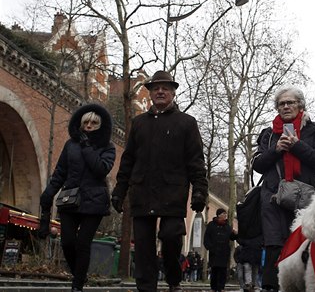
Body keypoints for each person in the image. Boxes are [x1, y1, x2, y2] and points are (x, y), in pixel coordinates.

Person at [110, 70, 209, 292]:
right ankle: (146, 288)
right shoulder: (138, 124)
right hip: (142, 191)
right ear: (151, 93)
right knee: (144, 247)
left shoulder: (186, 123)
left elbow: (196, 161)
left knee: (171, 237)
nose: (161, 91)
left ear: (173, 93)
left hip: (172, 193)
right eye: (156, 88)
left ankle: (174, 279)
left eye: (165, 88)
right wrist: (119, 189)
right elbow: (128, 160)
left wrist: (200, 191)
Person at [252, 86, 315, 292]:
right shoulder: (268, 134)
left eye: (290, 102)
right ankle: (271, 286)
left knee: (303, 242)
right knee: (274, 243)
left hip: (305, 195)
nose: (285, 106)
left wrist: (296, 145)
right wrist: (277, 150)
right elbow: (257, 165)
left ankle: (303, 285)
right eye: (281, 104)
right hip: (273, 196)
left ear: (300, 105)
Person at [37, 104, 115, 292]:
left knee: (83, 243)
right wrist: (49, 192)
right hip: (70, 199)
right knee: (68, 242)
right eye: (86, 122)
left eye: (94, 123)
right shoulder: (70, 145)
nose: (89, 125)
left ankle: (77, 286)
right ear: (80, 123)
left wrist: (87, 146)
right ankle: (79, 274)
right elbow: (60, 172)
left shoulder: (108, 147)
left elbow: (101, 169)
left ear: (100, 125)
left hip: (94, 202)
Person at [204, 208, 237, 292]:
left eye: (225, 214)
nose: (225, 215)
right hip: (214, 251)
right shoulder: (211, 225)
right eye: (223, 214)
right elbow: (207, 237)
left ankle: (221, 287)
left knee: (222, 270)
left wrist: (235, 234)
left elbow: (231, 237)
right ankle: (214, 287)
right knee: (214, 270)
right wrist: (210, 247)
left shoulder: (227, 226)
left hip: (224, 252)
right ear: (219, 215)